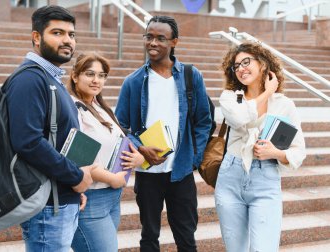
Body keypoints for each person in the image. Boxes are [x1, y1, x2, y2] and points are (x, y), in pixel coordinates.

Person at [115, 16, 212, 251]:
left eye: (160, 38)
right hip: (148, 173)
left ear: (174, 42)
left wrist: (193, 159)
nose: (153, 43)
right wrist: (140, 148)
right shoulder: (133, 82)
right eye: (149, 37)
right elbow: (121, 127)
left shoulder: (191, 76)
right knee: (149, 235)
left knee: (186, 236)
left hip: (181, 171)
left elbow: (203, 121)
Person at [6, 5, 97, 252]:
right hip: (47, 206)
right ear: (36, 37)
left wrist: (71, 187)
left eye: (71, 34)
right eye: (57, 33)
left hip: (60, 198)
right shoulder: (30, 79)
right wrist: (75, 177)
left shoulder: (51, 78)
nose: (67, 40)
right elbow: (28, 141)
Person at [215, 42, 306, 252]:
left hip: (265, 181)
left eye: (246, 62)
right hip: (231, 177)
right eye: (236, 66)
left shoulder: (284, 105)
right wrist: (267, 92)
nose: (240, 69)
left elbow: (298, 150)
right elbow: (239, 117)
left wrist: (275, 153)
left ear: (263, 64)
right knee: (235, 248)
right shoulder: (230, 97)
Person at [68, 52, 145, 252]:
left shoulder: (99, 106)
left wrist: (136, 157)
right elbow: (76, 158)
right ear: (75, 76)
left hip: (111, 197)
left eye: (102, 75)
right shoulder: (72, 108)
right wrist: (112, 179)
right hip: (91, 198)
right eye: (90, 74)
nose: (96, 80)